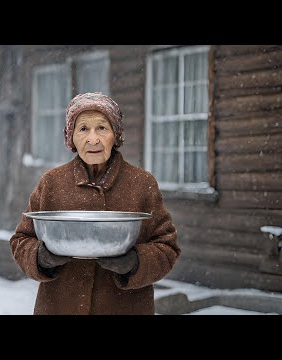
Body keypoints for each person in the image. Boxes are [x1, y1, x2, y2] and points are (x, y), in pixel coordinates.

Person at [10, 92, 181, 315]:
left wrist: (135, 263)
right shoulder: (51, 183)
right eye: (83, 129)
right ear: (70, 137)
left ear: (116, 135)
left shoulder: (140, 183)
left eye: (102, 128)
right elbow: (21, 240)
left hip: (124, 307)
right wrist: (40, 257)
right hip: (59, 306)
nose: (93, 139)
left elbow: (167, 247)